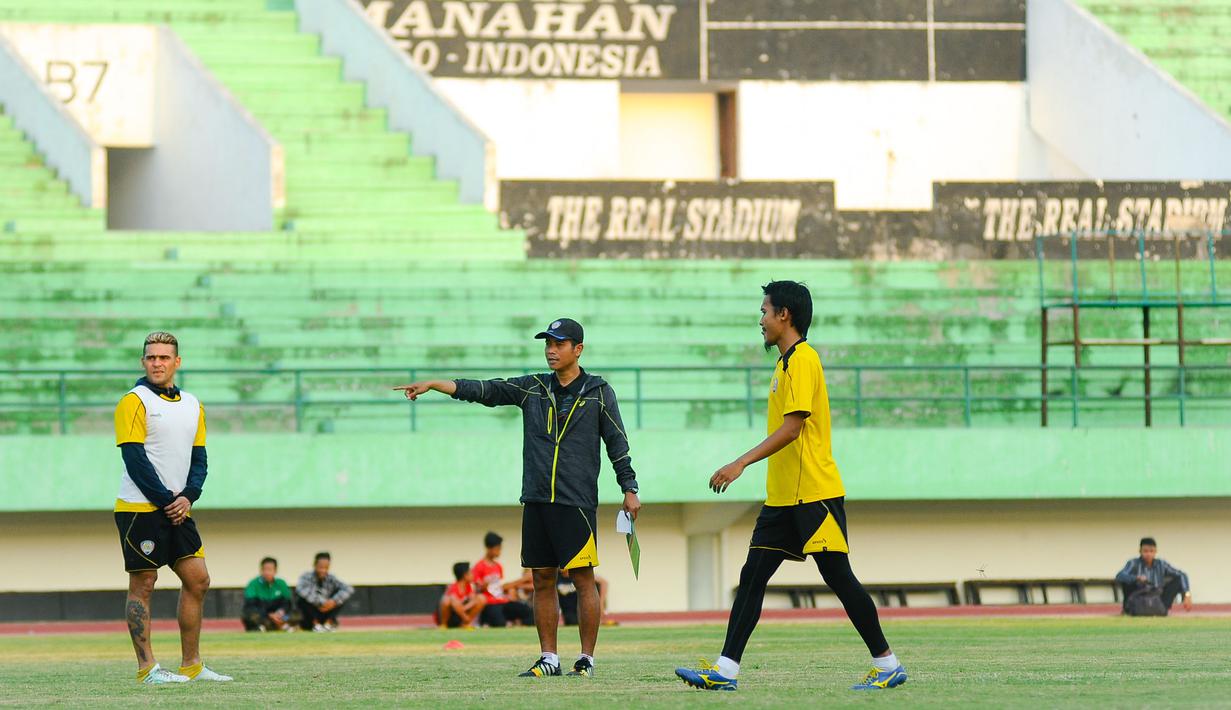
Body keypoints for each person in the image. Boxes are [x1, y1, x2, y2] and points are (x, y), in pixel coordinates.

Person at [675, 282, 906, 692]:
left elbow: (793, 428)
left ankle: (887, 664)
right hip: (783, 498)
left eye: (764, 310)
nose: (760, 320)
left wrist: (740, 462)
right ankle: (725, 670)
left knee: (839, 577)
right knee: (753, 576)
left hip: (813, 493)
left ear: (785, 315)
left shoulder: (803, 359)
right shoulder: (783, 365)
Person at [394, 318, 642, 678]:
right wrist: (435, 384)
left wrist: (629, 487)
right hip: (537, 499)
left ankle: (586, 659)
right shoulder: (533, 387)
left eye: (558, 344)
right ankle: (549, 658)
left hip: (576, 502)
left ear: (578, 349)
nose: (550, 350)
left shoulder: (599, 391)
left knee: (582, 578)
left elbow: (617, 442)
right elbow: (486, 390)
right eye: (547, 344)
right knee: (541, 578)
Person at [113, 331, 232, 684]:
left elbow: (200, 458)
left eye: (164, 357)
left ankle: (192, 665)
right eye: (151, 357)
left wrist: (189, 496)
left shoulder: (193, 404)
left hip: (180, 509)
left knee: (199, 580)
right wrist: (169, 501)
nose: (157, 363)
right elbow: (135, 460)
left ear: (177, 362)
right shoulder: (133, 401)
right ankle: (147, 669)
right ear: (143, 361)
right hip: (139, 509)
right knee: (144, 584)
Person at [1116, 537, 1193, 615]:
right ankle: (1128, 609)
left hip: (1157, 597)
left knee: (1178, 579)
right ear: (1140, 551)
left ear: (1155, 551)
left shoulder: (1161, 564)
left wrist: (1187, 594)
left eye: (1151, 551)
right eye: (1145, 551)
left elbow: (1181, 575)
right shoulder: (1133, 563)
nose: (1148, 554)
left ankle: (1163, 609)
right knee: (1126, 580)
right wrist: (1136, 578)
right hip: (1138, 596)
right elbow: (1120, 576)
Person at [473, 532, 535, 627]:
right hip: (490, 604)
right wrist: (523, 579)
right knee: (499, 622)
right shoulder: (479, 567)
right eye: (497, 549)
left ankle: (521, 629)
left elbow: (501, 587)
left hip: (502, 601)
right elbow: (478, 589)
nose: (499, 551)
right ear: (489, 548)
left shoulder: (498, 566)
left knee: (527, 611)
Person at [296, 552, 354, 632]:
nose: (323, 570)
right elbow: (300, 590)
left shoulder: (331, 578)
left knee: (340, 597)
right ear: (315, 565)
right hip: (312, 612)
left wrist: (333, 601)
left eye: (326, 567)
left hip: (327, 611)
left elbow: (348, 589)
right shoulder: (305, 577)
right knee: (301, 599)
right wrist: (322, 602)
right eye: (320, 567)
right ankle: (316, 624)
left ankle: (328, 623)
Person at [242, 557, 296, 632]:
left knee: (296, 615)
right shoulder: (253, 584)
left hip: (278, 615)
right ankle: (262, 627)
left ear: (275, 571)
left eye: (270, 570)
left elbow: (287, 603)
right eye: (264, 569)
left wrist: (280, 612)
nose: (267, 572)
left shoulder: (281, 583)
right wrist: (269, 615)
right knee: (251, 615)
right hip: (262, 615)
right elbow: (251, 605)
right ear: (261, 570)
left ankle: (280, 625)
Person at [439, 562, 485, 629]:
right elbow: (453, 603)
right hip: (452, 616)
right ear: (465, 575)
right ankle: (444, 625)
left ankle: (465, 624)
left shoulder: (469, 587)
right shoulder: (453, 587)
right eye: (471, 573)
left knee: (481, 598)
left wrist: (464, 608)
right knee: (447, 600)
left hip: (462, 613)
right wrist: (465, 616)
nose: (473, 575)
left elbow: (474, 600)